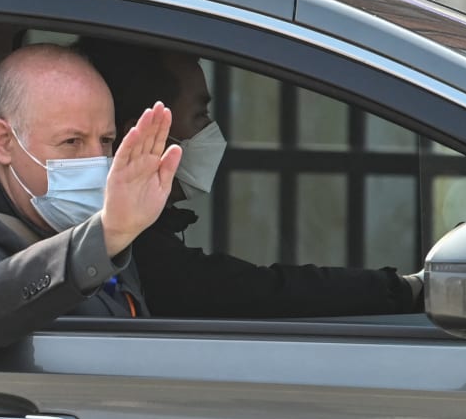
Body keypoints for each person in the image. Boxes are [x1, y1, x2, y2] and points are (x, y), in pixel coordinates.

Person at [81, 38, 424, 318]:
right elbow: (258, 291)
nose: (211, 131)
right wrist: (403, 290)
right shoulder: (134, 253)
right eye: (200, 116)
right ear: (142, 139)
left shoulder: (133, 242)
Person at [0, 43, 181, 348]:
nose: (97, 161)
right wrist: (107, 236)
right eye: (71, 141)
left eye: (106, 140)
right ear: (4, 142)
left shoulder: (101, 218)